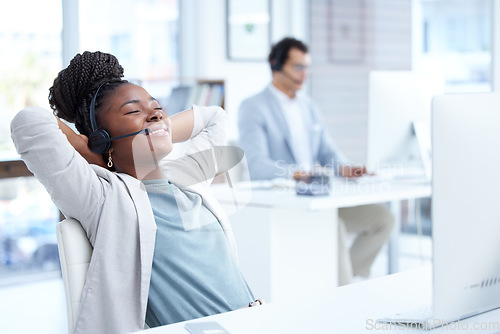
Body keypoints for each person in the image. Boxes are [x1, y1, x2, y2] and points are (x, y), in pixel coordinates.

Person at [11, 51, 262, 334]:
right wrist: (89, 148)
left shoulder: (188, 179)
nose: (155, 114)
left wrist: (158, 127)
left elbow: (214, 117)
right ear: (101, 139)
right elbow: (28, 124)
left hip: (253, 321)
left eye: (157, 108)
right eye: (133, 111)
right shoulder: (104, 199)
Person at [238, 37, 395, 286]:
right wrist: (293, 173)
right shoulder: (253, 107)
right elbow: (256, 163)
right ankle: (343, 296)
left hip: (318, 194)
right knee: (336, 227)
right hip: (288, 199)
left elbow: (326, 150)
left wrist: (345, 168)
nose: (305, 74)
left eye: (308, 67)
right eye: (298, 67)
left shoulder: (308, 106)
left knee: (383, 219)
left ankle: (342, 281)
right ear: (275, 64)